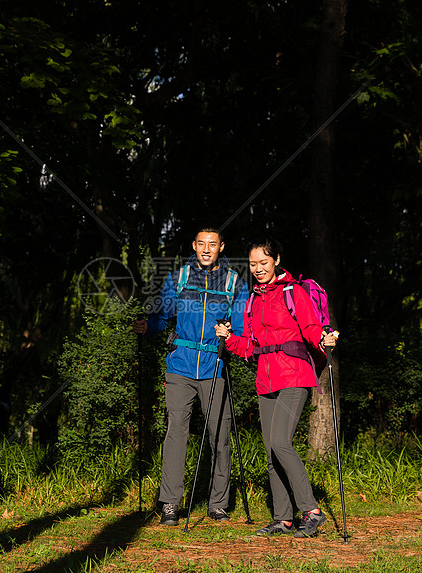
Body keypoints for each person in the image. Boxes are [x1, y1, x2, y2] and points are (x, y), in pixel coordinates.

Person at [214, 238, 337, 538]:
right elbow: (250, 346)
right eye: (253, 264)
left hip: (294, 375)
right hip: (265, 379)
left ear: (277, 260)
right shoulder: (253, 300)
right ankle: (283, 518)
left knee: (281, 442)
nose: (257, 269)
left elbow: (309, 327)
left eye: (263, 263)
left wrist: (323, 337)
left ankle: (312, 511)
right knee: (271, 452)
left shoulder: (293, 291)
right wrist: (228, 339)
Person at [134, 227, 250, 526]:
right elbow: (162, 317)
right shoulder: (179, 278)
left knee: (220, 437)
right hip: (180, 367)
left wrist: (231, 339)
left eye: (213, 244)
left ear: (221, 247)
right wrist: (149, 327)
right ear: (194, 246)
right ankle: (170, 503)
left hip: (214, 366)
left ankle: (218, 504)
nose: (207, 249)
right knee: (176, 435)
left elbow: (240, 329)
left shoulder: (234, 282)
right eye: (202, 244)